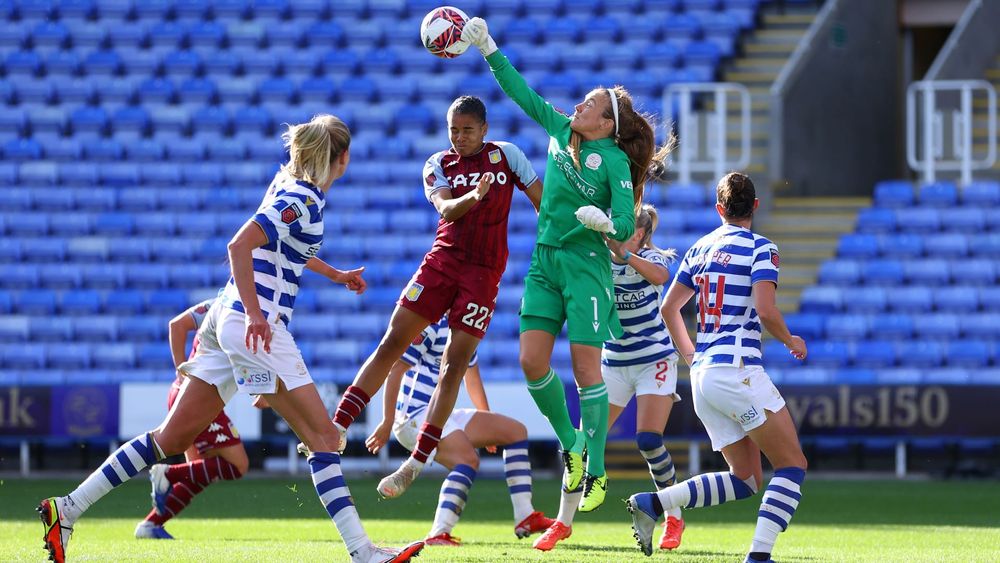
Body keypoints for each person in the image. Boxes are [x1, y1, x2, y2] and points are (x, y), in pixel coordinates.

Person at [37, 114, 424, 563]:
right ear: (343, 159)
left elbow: (280, 247)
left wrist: (334, 274)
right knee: (324, 437)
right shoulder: (304, 198)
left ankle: (67, 508)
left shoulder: (289, 188)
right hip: (253, 324)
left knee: (169, 438)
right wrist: (258, 318)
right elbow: (238, 246)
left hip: (227, 320)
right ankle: (363, 552)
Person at [458, 17, 674, 547]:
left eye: (589, 104)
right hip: (545, 261)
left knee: (584, 370)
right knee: (531, 361)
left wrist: (607, 224)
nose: (578, 106)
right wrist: (488, 48)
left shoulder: (616, 160)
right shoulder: (561, 131)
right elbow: (520, 93)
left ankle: (596, 467)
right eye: (581, 101)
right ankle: (573, 444)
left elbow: (626, 223)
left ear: (606, 124)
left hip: (587, 268)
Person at [328, 96, 542, 499]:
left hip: (483, 274)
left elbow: (542, 203)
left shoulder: (508, 156)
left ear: (484, 129)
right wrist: (472, 198)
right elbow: (446, 209)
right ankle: (338, 426)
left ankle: (415, 462)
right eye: (453, 131)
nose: (459, 138)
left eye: (467, 130)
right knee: (393, 342)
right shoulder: (438, 164)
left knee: (454, 365)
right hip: (442, 263)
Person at [626, 173, 809, 563]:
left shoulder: (700, 248)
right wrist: (790, 339)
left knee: (746, 478)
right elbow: (765, 309)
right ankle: (759, 556)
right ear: (755, 207)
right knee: (792, 463)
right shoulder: (762, 249)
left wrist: (691, 355)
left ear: (719, 209)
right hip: (738, 370)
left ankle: (653, 503)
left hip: (703, 375)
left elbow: (668, 308)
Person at [365, 316, 554, 546]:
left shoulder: (466, 331)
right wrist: (387, 421)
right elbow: (396, 370)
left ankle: (525, 515)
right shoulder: (432, 326)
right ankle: (438, 533)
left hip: (441, 414)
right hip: (414, 416)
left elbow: (472, 378)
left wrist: (487, 420)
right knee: (467, 460)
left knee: (515, 432)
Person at [600, 203, 686, 551]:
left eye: (624, 230)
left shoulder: (655, 258)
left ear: (640, 234)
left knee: (648, 441)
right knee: (584, 443)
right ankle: (562, 522)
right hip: (615, 361)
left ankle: (674, 515)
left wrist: (625, 253)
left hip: (654, 359)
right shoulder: (599, 259)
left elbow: (661, 278)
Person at [135, 296, 249, 540]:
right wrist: (181, 369)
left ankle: (150, 526)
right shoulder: (231, 305)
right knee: (237, 465)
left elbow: (178, 325)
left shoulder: (223, 305)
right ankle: (166, 473)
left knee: (196, 473)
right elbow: (176, 325)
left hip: (191, 392)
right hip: (200, 394)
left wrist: (181, 373)